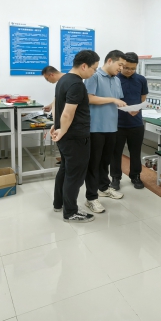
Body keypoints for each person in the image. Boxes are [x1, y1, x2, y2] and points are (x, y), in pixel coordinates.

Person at [50, 50, 100, 223]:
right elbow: (68, 113)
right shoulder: (77, 84)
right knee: (75, 175)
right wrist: (62, 129)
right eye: (94, 68)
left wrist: (56, 126)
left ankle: (59, 204)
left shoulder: (63, 80)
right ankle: (71, 212)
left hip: (66, 136)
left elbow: (58, 106)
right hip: (75, 137)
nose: (94, 72)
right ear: (84, 66)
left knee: (65, 170)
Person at [83, 50, 127, 213]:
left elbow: (116, 100)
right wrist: (113, 99)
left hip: (112, 127)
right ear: (110, 61)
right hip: (96, 128)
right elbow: (89, 98)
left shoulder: (116, 80)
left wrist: (128, 108)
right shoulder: (94, 76)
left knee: (105, 161)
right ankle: (91, 198)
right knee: (93, 164)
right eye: (120, 65)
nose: (121, 68)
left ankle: (103, 187)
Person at [110, 52, 148, 190]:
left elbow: (143, 98)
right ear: (121, 65)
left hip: (136, 123)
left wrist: (138, 108)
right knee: (116, 153)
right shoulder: (114, 79)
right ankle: (115, 177)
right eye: (126, 67)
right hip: (117, 123)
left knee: (135, 152)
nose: (129, 71)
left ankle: (135, 176)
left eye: (133, 68)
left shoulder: (141, 80)